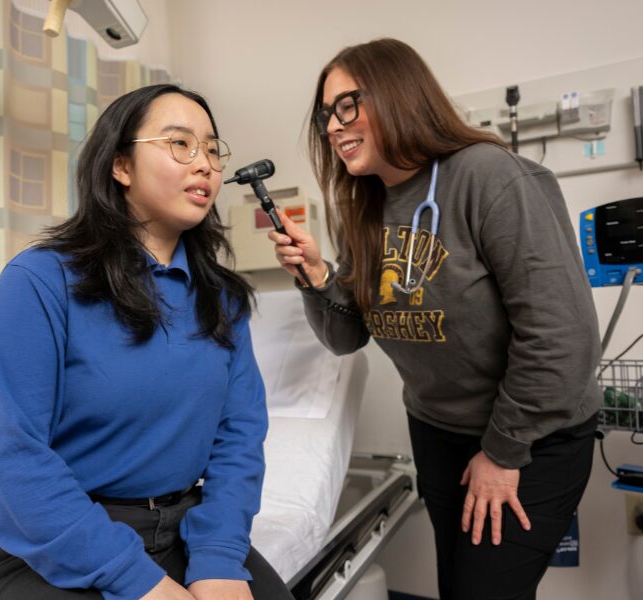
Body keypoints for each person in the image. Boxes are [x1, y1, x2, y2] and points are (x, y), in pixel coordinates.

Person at [267, 38, 600, 600]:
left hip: (533, 438)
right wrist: (318, 276)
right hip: (438, 432)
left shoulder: (489, 178)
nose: (332, 126)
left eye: (346, 105)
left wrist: (501, 452)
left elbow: (561, 338)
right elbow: (346, 335)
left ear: (399, 96)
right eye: (326, 114)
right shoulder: (365, 207)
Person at [0, 83, 294, 600]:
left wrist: (218, 559)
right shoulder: (40, 282)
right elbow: (10, 459)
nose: (204, 163)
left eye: (212, 148)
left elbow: (238, 440)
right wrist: (134, 579)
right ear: (121, 166)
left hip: (188, 531)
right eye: (180, 144)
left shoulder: (223, 300)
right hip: (61, 543)